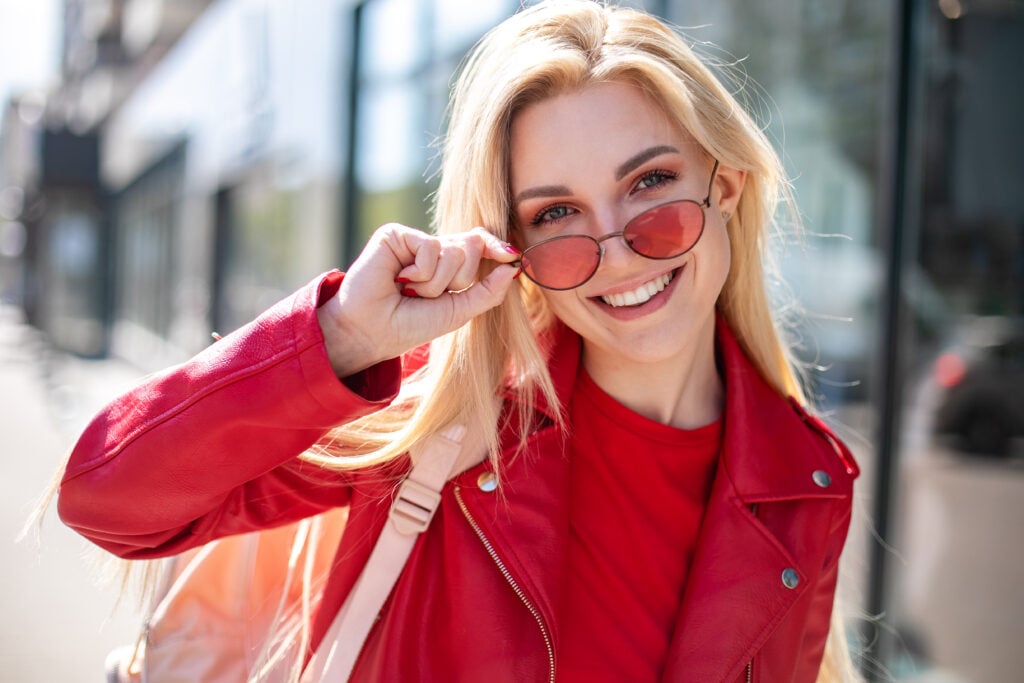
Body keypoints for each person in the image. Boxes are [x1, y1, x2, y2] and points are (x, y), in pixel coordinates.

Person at [56, 1, 860, 681]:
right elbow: (108, 498)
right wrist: (337, 338)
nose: (615, 251)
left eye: (650, 185)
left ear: (724, 184)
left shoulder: (804, 483)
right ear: (512, 247)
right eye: (556, 216)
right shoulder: (436, 420)